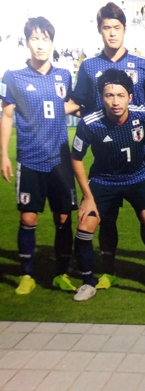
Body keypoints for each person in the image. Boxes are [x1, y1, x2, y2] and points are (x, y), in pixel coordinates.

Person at [72, 2, 145, 291]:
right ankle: (108, 271)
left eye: (116, 27)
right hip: (105, 158)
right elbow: (78, 104)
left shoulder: (143, 64)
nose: (112, 33)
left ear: (125, 29)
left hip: (139, 155)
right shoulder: (88, 66)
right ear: (99, 30)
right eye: (106, 28)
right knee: (107, 219)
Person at [70, 69, 145, 302]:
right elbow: (76, 158)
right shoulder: (90, 123)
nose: (115, 101)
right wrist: (88, 197)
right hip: (103, 180)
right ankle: (88, 282)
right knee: (84, 228)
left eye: (120, 95)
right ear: (101, 97)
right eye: (109, 95)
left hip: (138, 178)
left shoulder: (143, 112)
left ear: (130, 97)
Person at [1, 17, 80, 294]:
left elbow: (66, 104)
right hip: (29, 159)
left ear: (52, 43)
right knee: (28, 219)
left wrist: (80, 107)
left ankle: (62, 273)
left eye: (45, 39)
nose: (40, 44)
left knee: (63, 217)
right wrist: (4, 154)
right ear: (26, 42)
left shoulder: (64, 76)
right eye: (35, 38)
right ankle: (27, 275)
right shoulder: (13, 77)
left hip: (60, 160)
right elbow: (7, 115)